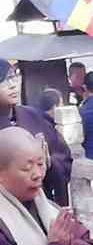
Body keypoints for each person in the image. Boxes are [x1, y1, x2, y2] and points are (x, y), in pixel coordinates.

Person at [0, 58, 72, 206]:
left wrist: (48, 163)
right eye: (3, 81)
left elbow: (64, 156)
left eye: (13, 77)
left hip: (41, 205)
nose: (12, 85)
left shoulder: (35, 117)